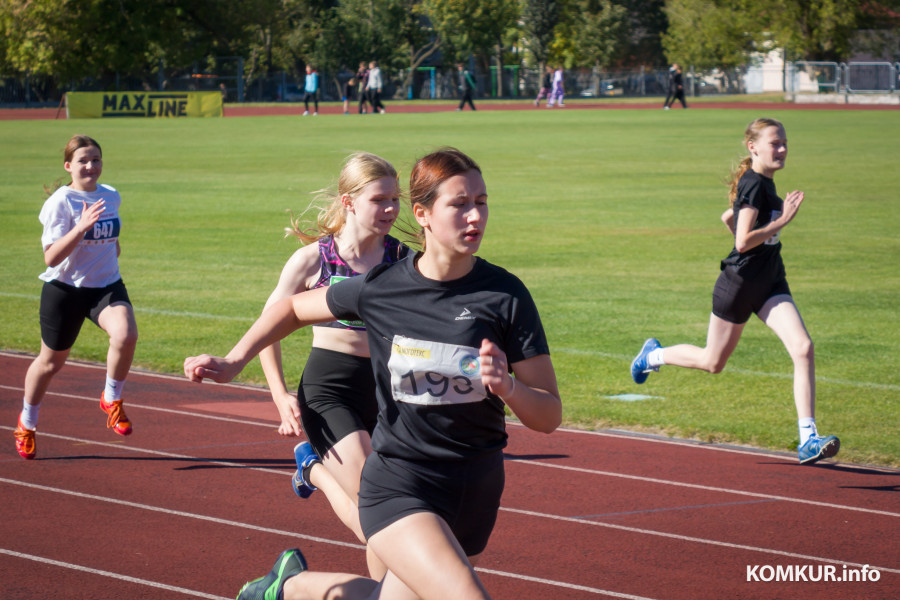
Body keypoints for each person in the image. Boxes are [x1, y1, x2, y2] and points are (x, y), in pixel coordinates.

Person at [184, 148, 562, 600]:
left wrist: (509, 387)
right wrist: (234, 361)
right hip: (402, 482)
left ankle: (289, 587)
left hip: (476, 486)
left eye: (481, 202)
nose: (474, 215)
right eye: (459, 204)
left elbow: (548, 415)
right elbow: (289, 308)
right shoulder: (384, 287)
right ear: (423, 214)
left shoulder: (506, 295)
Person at [630, 118, 839, 465]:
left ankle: (807, 439)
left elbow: (730, 218)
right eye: (775, 143)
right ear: (753, 147)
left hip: (771, 281)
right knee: (713, 363)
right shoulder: (755, 184)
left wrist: (757, 223)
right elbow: (742, 241)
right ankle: (651, 356)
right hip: (739, 285)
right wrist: (781, 222)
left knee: (803, 347)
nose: (783, 149)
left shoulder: (762, 185)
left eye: (785, 142)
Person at [258, 152, 408, 579]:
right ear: (348, 202)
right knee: (378, 509)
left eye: (395, 199)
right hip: (330, 389)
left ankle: (312, 469)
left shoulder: (403, 259)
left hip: (387, 391)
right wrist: (278, 394)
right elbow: (269, 326)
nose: (391, 209)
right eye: (380, 199)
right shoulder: (313, 260)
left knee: (395, 506)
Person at [14, 135, 138, 460]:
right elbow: (51, 258)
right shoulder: (60, 202)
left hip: (106, 286)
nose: (90, 166)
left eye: (96, 159)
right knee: (50, 364)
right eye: (83, 160)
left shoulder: (111, 195)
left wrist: (110, 250)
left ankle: (111, 399)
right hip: (64, 290)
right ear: (69, 166)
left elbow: (112, 238)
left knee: (126, 334)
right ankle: (27, 423)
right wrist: (81, 227)